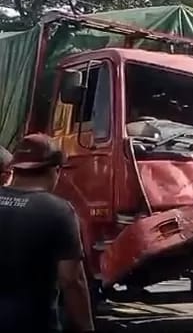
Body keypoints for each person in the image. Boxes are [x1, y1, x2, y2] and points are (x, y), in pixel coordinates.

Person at [0, 134, 95, 332]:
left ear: (14, 168)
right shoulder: (58, 212)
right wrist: (85, 327)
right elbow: (72, 280)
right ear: (56, 170)